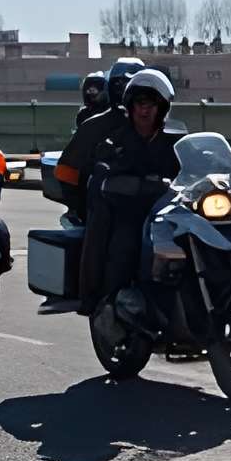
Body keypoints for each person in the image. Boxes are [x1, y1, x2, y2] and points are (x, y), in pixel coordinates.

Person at [78, 68, 183, 317]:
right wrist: (123, 181)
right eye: (140, 103)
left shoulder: (174, 140)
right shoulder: (116, 141)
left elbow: (197, 160)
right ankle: (112, 303)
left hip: (169, 212)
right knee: (126, 245)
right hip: (131, 212)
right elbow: (102, 172)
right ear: (131, 106)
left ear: (162, 109)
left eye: (152, 104)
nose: (145, 110)